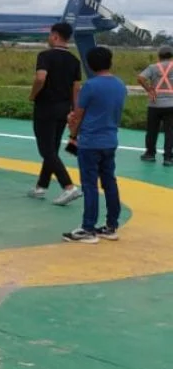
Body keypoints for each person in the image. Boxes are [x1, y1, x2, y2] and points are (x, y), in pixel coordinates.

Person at [63, 46, 127, 243]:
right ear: (110, 62)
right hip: (110, 140)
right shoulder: (120, 85)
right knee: (110, 182)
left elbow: (79, 116)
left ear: (89, 64)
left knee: (89, 185)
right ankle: (111, 226)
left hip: (90, 142)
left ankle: (88, 228)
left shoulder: (90, 86)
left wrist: (72, 133)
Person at [28, 22, 83, 205]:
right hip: (63, 109)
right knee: (52, 149)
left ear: (55, 36)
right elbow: (76, 89)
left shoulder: (45, 56)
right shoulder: (75, 61)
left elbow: (40, 77)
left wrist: (33, 94)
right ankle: (41, 186)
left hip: (45, 107)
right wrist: (75, 111)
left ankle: (68, 186)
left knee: (46, 150)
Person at [137, 44, 173, 166]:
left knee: (152, 130)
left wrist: (149, 89)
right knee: (170, 132)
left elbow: (140, 78)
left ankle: (150, 154)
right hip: (171, 105)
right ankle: (168, 158)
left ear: (159, 56)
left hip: (154, 104)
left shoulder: (153, 67)